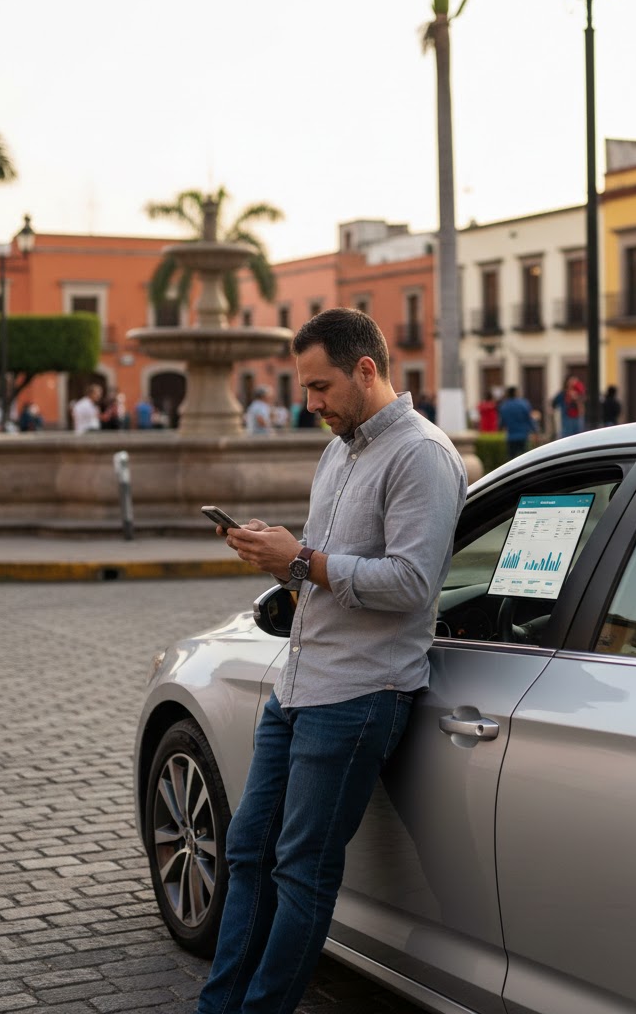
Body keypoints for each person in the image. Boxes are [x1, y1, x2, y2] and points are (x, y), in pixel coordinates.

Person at [197, 307, 467, 1014]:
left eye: (320, 387)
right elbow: (319, 571)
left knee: (303, 871)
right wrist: (278, 556)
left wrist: (304, 559)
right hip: (300, 685)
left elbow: (412, 583)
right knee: (249, 851)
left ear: (366, 370)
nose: (308, 403)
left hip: (359, 695)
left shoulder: (422, 456)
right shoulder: (339, 448)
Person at [499, 385, 537, 460]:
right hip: (523, 436)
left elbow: (501, 423)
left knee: (512, 461)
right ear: (516, 393)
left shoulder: (504, 406)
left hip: (511, 437)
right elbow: (529, 419)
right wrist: (535, 431)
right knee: (526, 460)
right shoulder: (523, 404)